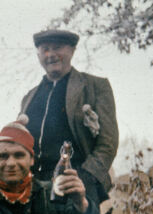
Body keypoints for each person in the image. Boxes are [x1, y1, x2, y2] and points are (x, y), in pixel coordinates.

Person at [20, 29, 119, 204]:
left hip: (77, 185)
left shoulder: (95, 87)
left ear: (72, 50)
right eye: (45, 49)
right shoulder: (29, 97)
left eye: (57, 47)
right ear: (38, 55)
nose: (51, 54)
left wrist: (86, 177)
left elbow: (108, 143)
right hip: (35, 189)